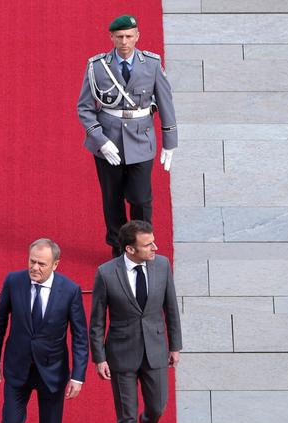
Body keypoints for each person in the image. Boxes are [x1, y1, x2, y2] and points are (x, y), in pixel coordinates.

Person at [0, 239, 89, 423]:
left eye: (41, 264)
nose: (34, 267)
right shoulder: (13, 281)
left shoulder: (69, 290)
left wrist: (78, 376)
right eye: (31, 260)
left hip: (52, 372)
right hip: (17, 366)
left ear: (55, 264)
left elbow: (80, 335)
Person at [89, 220, 182, 423]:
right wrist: (99, 357)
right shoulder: (106, 273)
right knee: (126, 416)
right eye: (148, 244)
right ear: (130, 249)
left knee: (157, 406)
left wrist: (175, 345)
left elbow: (171, 307)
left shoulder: (162, 265)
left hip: (155, 349)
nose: (155, 247)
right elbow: (97, 320)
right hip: (121, 354)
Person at [77, 14, 177, 255]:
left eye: (129, 36)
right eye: (120, 37)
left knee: (141, 199)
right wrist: (100, 141)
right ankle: (119, 249)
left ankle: (143, 245)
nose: (124, 41)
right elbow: (85, 107)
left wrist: (169, 142)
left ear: (137, 37)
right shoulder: (97, 66)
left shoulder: (151, 64)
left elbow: (165, 102)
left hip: (141, 140)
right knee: (112, 199)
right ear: (111, 37)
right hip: (109, 142)